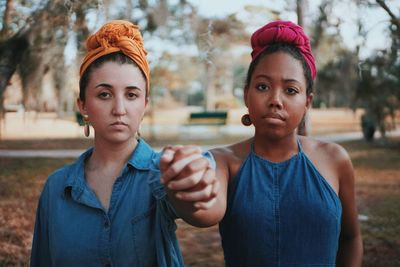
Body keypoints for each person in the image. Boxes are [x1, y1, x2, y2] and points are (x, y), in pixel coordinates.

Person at [162, 20, 363, 266]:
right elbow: (205, 213)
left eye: (290, 90)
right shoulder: (224, 162)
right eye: (263, 86)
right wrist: (185, 190)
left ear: (307, 102)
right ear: (247, 95)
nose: (275, 100)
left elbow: (351, 238)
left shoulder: (334, 159)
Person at [30, 20, 218, 267]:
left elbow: (202, 212)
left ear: (144, 105)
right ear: (83, 106)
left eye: (131, 95)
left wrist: (195, 182)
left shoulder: (162, 172)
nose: (119, 109)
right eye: (104, 94)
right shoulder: (56, 188)